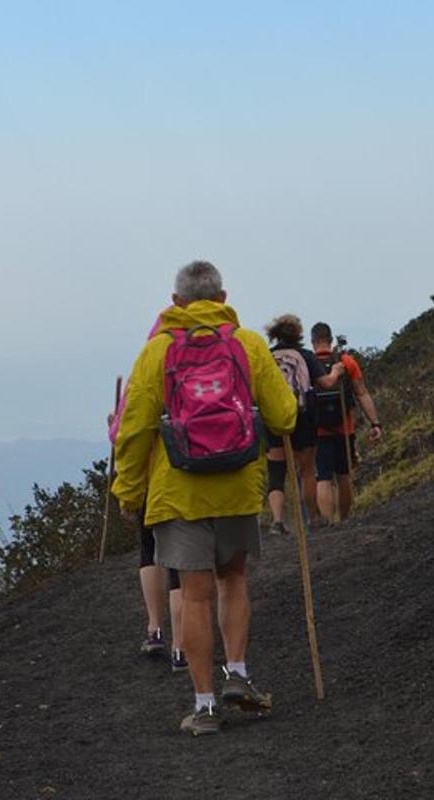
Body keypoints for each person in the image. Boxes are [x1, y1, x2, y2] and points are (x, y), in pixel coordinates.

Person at [113, 260, 296, 736]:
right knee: (233, 581)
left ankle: (205, 706)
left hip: (179, 491)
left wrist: (129, 489)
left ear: (176, 304)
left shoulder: (156, 352)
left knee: (194, 596)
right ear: (223, 297)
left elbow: (133, 429)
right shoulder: (249, 344)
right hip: (237, 485)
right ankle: (238, 673)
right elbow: (285, 414)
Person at [109, 310, 187, 672]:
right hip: (194, 475)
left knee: (149, 549)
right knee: (184, 567)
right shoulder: (211, 359)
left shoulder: (148, 362)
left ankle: (155, 628)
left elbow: (124, 434)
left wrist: (127, 490)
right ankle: (182, 646)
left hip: (152, 478)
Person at [263, 314, 344, 535]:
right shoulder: (305, 356)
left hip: (273, 419)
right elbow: (326, 384)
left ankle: (278, 521)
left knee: (276, 472)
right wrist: (336, 371)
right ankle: (313, 518)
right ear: (298, 334)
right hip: (303, 417)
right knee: (307, 470)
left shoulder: (266, 357)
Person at [311, 322, 383, 524]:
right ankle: (344, 521)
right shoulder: (346, 361)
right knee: (343, 475)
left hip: (318, 431)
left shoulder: (309, 365)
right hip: (345, 428)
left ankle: (327, 523)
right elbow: (362, 393)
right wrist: (375, 423)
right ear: (331, 340)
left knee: (323, 476)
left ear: (313, 341)